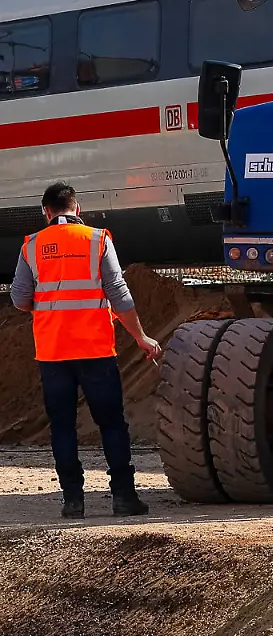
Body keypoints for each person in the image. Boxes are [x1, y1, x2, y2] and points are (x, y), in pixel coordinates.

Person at [9, 181, 161, 519]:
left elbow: (19, 298)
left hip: (53, 352)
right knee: (111, 423)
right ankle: (124, 497)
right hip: (95, 349)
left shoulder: (31, 246)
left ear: (46, 212)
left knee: (62, 426)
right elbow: (118, 293)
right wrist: (140, 337)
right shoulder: (98, 240)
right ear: (77, 208)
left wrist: (48, 304)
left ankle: (73, 501)